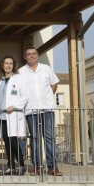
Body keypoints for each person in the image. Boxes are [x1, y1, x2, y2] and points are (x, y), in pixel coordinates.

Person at [19, 46, 62, 176]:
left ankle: (52, 167)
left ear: (37, 55)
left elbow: (54, 84)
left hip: (47, 109)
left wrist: (47, 97)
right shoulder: (20, 72)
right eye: (29, 54)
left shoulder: (46, 68)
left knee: (49, 138)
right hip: (30, 110)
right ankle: (37, 166)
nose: (32, 56)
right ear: (25, 57)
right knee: (35, 139)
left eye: (34, 53)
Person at [0, 55, 28, 175]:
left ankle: (22, 165)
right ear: (2, 65)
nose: (8, 65)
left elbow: (25, 96)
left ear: (13, 66)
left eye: (10, 63)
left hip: (13, 114)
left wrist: (14, 106)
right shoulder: (0, 80)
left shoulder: (18, 79)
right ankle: (11, 167)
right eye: (6, 63)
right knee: (6, 142)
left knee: (13, 140)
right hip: (2, 116)